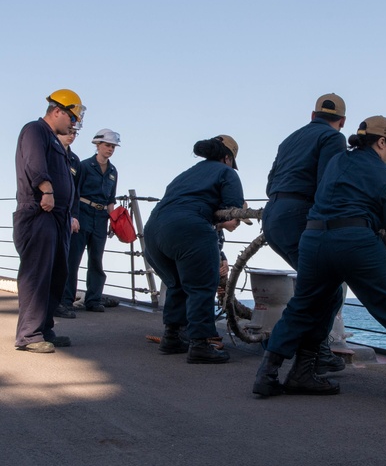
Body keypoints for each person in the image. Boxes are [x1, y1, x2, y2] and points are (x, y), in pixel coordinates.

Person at [253, 116, 386, 408]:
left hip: (313, 240)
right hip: (356, 243)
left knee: (302, 307)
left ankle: (268, 373)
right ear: (381, 141)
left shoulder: (335, 163)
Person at [262, 93, 349, 376]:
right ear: (342, 122)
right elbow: (328, 185)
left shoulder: (289, 139)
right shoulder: (333, 138)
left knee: (317, 286)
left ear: (312, 116)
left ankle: (305, 353)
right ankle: (310, 356)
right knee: (327, 288)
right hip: (298, 217)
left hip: (272, 215)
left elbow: (270, 183)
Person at [144, 135, 244, 363]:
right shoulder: (227, 172)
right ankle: (200, 344)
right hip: (188, 229)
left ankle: (172, 337)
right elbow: (232, 211)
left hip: (153, 232)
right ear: (227, 158)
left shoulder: (187, 173)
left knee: (177, 283)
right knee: (201, 287)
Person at [13, 89, 86, 352]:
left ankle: (44, 328)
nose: (73, 124)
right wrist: (46, 190)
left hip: (58, 217)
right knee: (37, 273)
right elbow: (34, 163)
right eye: (71, 118)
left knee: (57, 273)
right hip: (39, 212)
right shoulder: (35, 130)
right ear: (57, 111)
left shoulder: (56, 142)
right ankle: (29, 335)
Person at [61, 128, 120, 315]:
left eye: (113, 146)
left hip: (101, 218)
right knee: (74, 259)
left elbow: (111, 198)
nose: (110, 149)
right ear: (98, 145)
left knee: (96, 260)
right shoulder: (84, 166)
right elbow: (75, 193)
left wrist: (115, 221)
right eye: (107, 145)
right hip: (83, 213)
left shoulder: (112, 171)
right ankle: (66, 299)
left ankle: (93, 299)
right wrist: (73, 216)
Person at [53, 124, 82, 319]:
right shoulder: (51, 153)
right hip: (48, 213)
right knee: (47, 260)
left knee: (65, 261)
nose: (71, 136)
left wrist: (74, 216)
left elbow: (76, 192)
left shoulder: (74, 160)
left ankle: (61, 302)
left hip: (66, 215)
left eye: (74, 133)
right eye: (68, 132)